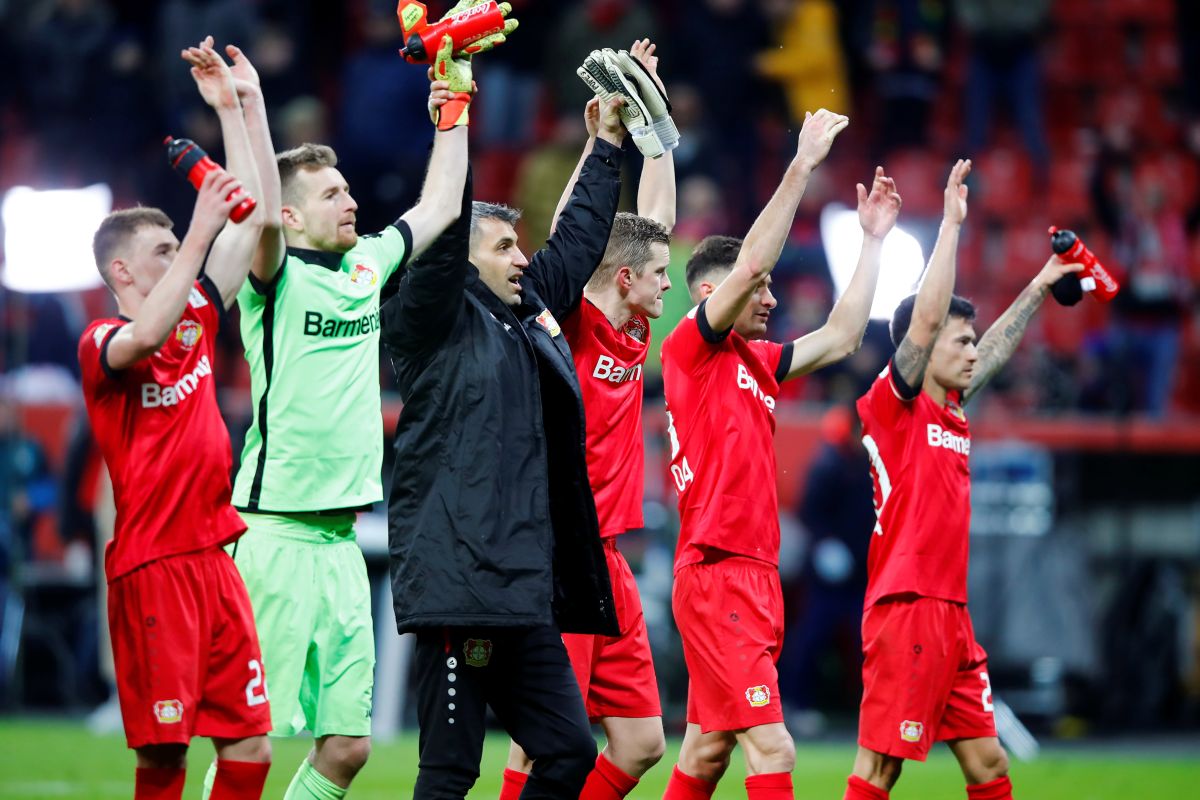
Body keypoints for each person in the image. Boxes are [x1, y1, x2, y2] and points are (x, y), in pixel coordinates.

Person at [214, 33, 474, 800]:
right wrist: (252, 109)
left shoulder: (365, 268)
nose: (352, 200)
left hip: (341, 542)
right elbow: (255, 211)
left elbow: (436, 207)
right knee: (248, 742)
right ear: (291, 218)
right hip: (274, 535)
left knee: (350, 748)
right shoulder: (274, 278)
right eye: (331, 195)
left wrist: (452, 107)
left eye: (349, 189)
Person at [380, 94, 630, 800]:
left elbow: (575, 244)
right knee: (452, 771)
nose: (521, 258)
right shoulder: (429, 320)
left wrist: (608, 144)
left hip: (522, 591)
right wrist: (452, 119)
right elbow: (446, 220)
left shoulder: (525, 313)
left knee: (569, 750)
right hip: (459, 586)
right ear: (456, 261)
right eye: (502, 247)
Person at [659, 109, 903, 800]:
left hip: (753, 574)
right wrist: (802, 164)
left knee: (706, 753)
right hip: (717, 573)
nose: (770, 297)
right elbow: (757, 260)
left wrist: (873, 242)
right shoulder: (691, 349)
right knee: (774, 747)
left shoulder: (758, 363)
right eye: (755, 289)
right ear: (713, 292)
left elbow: (844, 336)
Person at [839, 160, 1082, 800]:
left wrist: (1040, 283)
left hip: (951, 616)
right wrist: (949, 225)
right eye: (961, 340)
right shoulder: (893, 406)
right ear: (922, 347)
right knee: (878, 770)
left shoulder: (951, 412)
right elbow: (924, 323)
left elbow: (997, 350)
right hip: (906, 609)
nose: (974, 350)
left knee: (988, 768)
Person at [78, 41, 271, 800]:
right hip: (153, 567)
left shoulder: (194, 314)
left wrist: (237, 108)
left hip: (214, 559)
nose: (180, 256)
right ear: (122, 272)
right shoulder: (102, 344)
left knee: (251, 742)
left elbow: (248, 223)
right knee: (165, 757)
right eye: (159, 251)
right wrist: (195, 229)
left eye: (177, 244)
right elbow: (145, 337)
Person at [500, 37, 675, 800]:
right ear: (625, 278)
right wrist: (602, 134)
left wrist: (655, 128)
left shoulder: (637, 330)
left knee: (639, 744)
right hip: (559, 550)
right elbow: (575, 227)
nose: (672, 281)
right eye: (660, 273)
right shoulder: (569, 319)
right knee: (542, 741)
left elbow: (656, 220)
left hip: (608, 557)